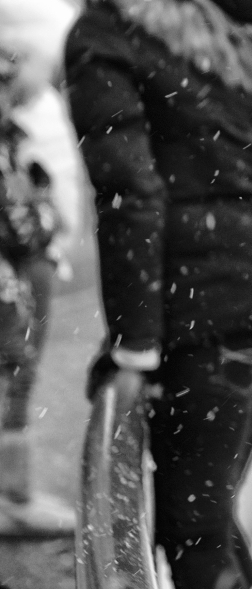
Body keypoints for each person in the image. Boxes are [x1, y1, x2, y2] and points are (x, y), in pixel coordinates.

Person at [65, 0, 252, 588]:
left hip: (216, 316)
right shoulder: (214, 31)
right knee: (205, 522)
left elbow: (130, 189)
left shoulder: (104, 36)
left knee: (195, 532)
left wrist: (135, 345)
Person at [0, 45, 74, 538]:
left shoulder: (12, 136)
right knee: (12, 375)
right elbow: (20, 223)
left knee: (17, 376)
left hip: (20, 277)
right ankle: (11, 498)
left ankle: (14, 493)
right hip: (12, 280)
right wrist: (44, 223)